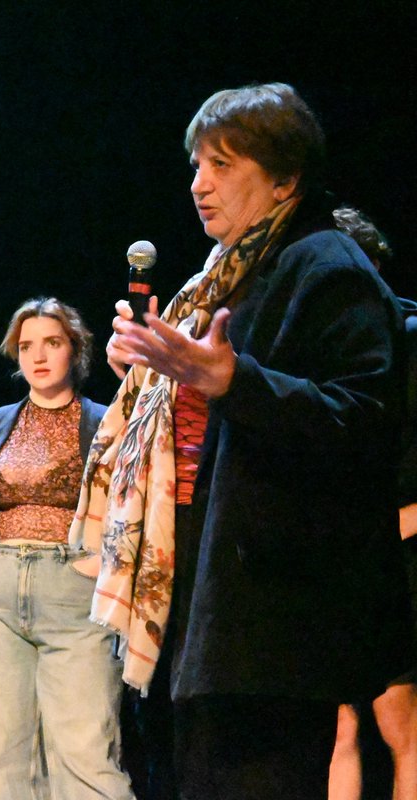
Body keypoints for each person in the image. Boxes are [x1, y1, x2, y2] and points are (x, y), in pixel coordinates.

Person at [73, 82, 413, 798]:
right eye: (196, 165)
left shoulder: (328, 266)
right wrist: (149, 380)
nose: (199, 185)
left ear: (286, 175)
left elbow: (361, 421)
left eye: (222, 164)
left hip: (271, 626)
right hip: (196, 606)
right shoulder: (218, 281)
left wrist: (235, 380)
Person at [0, 298, 132, 799]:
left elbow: (131, 498)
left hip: (73, 589)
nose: (38, 356)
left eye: (52, 342)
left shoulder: (105, 423)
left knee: (85, 755)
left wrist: (100, 558)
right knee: (4, 758)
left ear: (75, 350)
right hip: (0, 589)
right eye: (26, 346)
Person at [327, 208, 417, 800]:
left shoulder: (409, 333)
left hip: (401, 544)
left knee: (398, 721)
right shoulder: (323, 340)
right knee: (338, 725)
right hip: (332, 548)